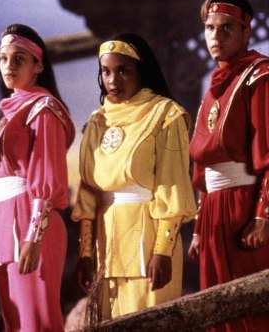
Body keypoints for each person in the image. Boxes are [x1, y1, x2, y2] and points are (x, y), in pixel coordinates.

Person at [72, 33, 196, 320]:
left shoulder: (166, 114)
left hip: (150, 243)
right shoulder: (96, 121)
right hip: (106, 242)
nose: (113, 80)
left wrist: (163, 250)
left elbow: (173, 185)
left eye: (123, 70)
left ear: (141, 71)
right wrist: (85, 253)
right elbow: (88, 192)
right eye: (106, 71)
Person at [187, 0, 269, 331]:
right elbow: (204, 166)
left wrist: (263, 216)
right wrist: (198, 229)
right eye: (210, 28)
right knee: (216, 310)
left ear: (246, 32)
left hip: (245, 207)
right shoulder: (214, 87)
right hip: (213, 213)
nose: (215, 36)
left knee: (250, 311)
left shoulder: (260, 75)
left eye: (226, 28)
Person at [0, 24, 75, 331]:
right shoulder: (9, 113)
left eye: (19, 59)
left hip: (32, 224)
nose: (8, 66)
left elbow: (48, 177)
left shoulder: (44, 109)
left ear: (38, 65)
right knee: (16, 322)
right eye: (3, 58)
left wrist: (34, 238)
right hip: (6, 221)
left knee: (37, 321)